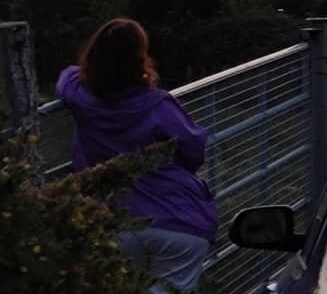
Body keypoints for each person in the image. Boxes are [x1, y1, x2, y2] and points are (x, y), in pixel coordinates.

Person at [58, 18, 218, 293]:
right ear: (139, 59)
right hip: (178, 221)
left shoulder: (80, 98)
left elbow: (67, 77)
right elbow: (193, 150)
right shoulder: (157, 105)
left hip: (112, 222)